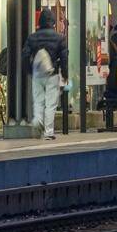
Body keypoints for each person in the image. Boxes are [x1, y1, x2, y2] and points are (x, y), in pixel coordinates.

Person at [20, 10, 68, 139]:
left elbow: (25, 55)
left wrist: (29, 70)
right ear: (53, 22)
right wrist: (64, 74)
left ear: (40, 22)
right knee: (51, 103)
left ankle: (38, 121)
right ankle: (48, 132)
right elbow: (64, 58)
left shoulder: (32, 37)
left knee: (38, 101)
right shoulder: (59, 38)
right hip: (52, 74)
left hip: (37, 74)